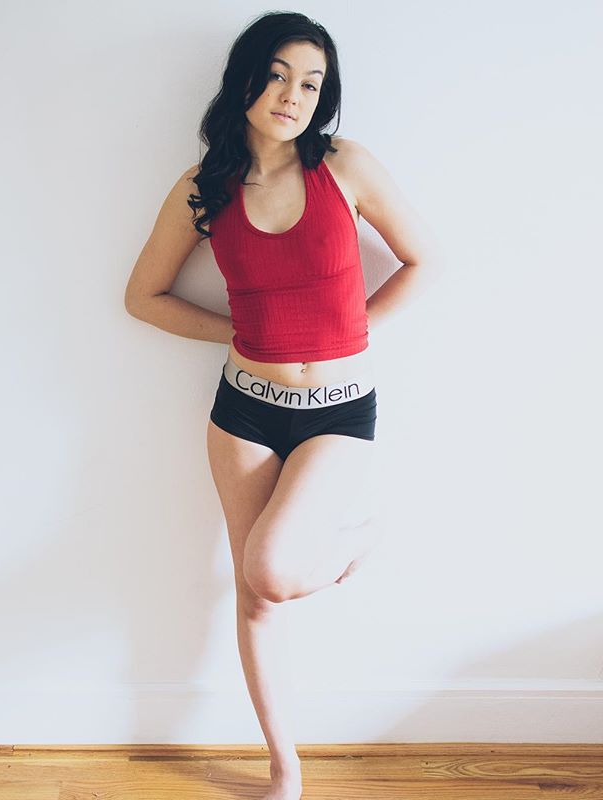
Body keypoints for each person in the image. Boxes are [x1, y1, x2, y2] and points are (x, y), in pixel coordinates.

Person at [125, 11, 441, 800]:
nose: (293, 95)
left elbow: (424, 260)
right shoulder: (205, 189)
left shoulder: (347, 167)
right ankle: (284, 768)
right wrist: (239, 330)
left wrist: (349, 330)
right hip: (245, 409)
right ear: (245, 79)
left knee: (272, 570)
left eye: (311, 83)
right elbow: (144, 297)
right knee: (253, 595)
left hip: (338, 408)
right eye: (278, 74)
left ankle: (360, 539)